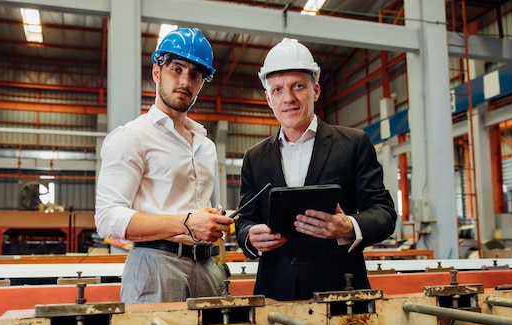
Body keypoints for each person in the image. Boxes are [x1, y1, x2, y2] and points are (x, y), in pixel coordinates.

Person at [235, 39, 397, 301]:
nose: (288, 98)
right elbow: (244, 220)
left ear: (316, 90)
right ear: (268, 98)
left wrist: (348, 226)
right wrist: (249, 237)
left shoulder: (354, 144)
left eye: (298, 86)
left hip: (341, 291)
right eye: (278, 89)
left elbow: (385, 213)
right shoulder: (255, 157)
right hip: (276, 292)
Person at [95, 28, 234, 304]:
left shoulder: (206, 146)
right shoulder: (132, 136)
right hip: (155, 264)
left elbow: (211, 215)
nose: (185, 81)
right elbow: (107, 218)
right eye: (176, 69)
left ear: (201, 83)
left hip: (209, 268)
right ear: (157, 72)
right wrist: (184, 223)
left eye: (195, 75)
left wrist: (221, 259)